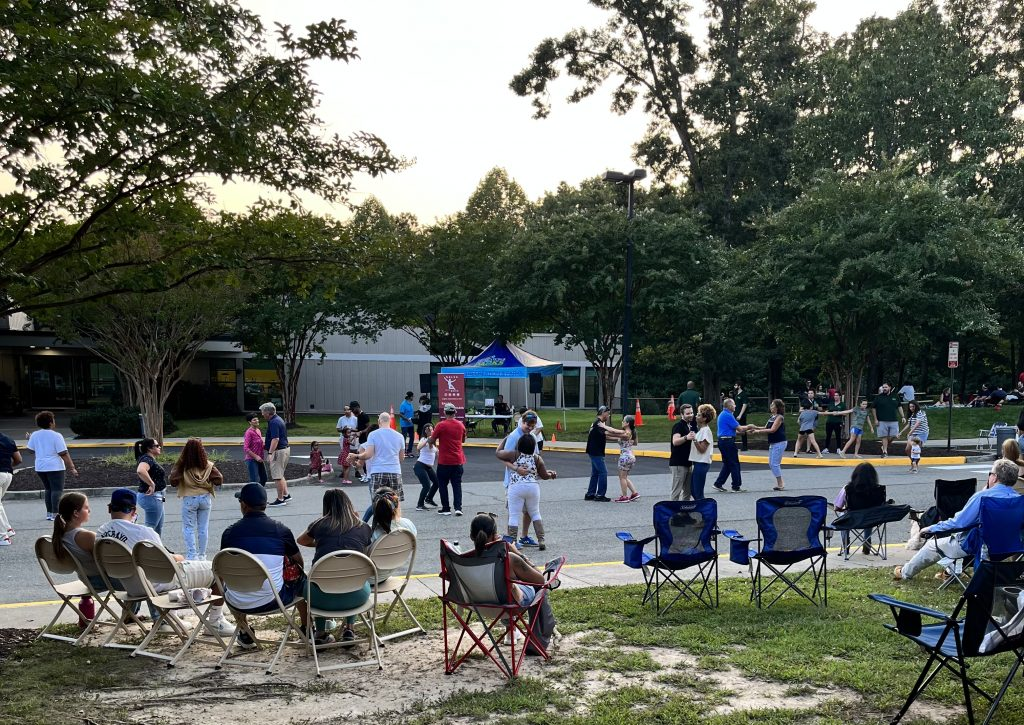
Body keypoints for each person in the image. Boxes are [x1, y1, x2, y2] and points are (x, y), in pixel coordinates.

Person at [95, 488, 233, 634]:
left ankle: (169, 620)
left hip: (130, 586)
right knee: (217, 567)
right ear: (134, 510)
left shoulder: (101, 533)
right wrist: (178, 558)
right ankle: (215, 621)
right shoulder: (143, 532)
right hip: (156, 583)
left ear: (109, 508)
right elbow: (164, 563)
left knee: (156, 571)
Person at [894, 459, 1021, 581]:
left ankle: (905, 573)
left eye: (990, 474)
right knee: (958, 538)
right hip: (1008, 547)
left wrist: (931, 528)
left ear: (994, 477)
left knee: (932, 545)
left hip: (978, 546)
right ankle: (950, 573)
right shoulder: (1019, 500)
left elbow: (959, 523)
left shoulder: (982, 497)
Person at [221, 483, 308, 650]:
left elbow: (222, 569)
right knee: (301, 578)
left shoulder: (229, 533)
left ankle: (245, 632)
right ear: (265, 504)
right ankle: (306, 629)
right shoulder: (280, 530)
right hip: (274, 599)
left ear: (243, 505)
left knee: (234, 581)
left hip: (237, 601)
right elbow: (299, 562)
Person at [467, 512, 557, 653]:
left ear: (472, 536)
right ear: (496, 535)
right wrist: (518, 553)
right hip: (507, 605)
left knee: (508, 582)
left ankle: (511, 632)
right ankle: (537, 641)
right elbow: (540, 580)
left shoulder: (464, 559)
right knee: (534, 587)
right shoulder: (509, 558)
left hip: (476, 603)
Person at [296, 488, 371, 645]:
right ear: (349, 504)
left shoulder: (319, 525)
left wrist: (320, 542)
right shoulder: (363, 527)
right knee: (352, 578)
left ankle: (321, 633)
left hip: (320, 599)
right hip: (356, 596)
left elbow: (301, 540)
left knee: (318, 582)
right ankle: (349, 629)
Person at [497, 435, 556, 551]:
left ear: (519, 445)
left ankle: (512, 542)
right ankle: (541, 539)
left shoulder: (514, 455)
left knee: (514, 515)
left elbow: (498, 453)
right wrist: (551, 475)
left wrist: (505, 439)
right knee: (535, 513)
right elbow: (544, 475)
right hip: (533, 487)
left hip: (516, 487)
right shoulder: (537, 458)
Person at [169, 438, 223, 561]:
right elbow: (219, 479)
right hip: (205, 498)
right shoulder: (208, 465)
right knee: (203, 528)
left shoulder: (182, 466)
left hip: (189, 498)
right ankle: (202, 555)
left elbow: (173, 481)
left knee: (188, 528)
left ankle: (192, 556)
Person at [348, 412, 405, 521]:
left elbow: (368, 455)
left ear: (379, 421)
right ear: (390, 421)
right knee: (395, 502)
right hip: (395, 471)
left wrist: (356, 455)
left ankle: (379, 526)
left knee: (377, 503)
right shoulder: (399, 436)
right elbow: (401, 458)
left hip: (378, 471)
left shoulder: (373, 435)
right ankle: (395, 524)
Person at [497, 411, 541, 546]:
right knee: (513, 511)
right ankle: (511, 540)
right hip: (513, 482)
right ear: (522, 421)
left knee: (528, 511)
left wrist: (541, 471)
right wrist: (516, 469)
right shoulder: (513, 437)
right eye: (528, 424)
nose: (530, 427)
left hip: (529, 481)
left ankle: (524, 536)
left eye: (533, 425)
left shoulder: (532, 436)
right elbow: (503, 457)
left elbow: (536, 457)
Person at [27, 410, 78, 521]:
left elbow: (30, 450)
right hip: (55, 467)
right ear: (50, 423)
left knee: (48, 489)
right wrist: (72, 467)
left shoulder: (34, 435)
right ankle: (56, 514)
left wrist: (30, 439)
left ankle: (49, 513)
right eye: (53, 420)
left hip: (40, 467)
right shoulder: (57, 436)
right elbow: (63, 453)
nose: (55, 422)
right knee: (56, 490)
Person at [834, 462, 885, 556]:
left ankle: (846, 545)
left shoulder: (848, 488)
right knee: (869, 514)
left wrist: (840, 509)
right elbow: (881, 506)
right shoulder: (879, 489)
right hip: (871, 520)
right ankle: (867, 542)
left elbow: (837, 507)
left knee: (843, 516)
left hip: (852, 520)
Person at [370, 487, 418, 579]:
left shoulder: (369, 532)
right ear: (397, 505)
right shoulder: (408, 525)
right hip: (388, 574)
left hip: (369, 579)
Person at [430, 403, 467, 516]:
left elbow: (432, 440)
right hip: (457, 460)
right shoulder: (461, 425)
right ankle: (458, 508)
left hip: (444, 461)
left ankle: (446, 508)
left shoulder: (441, 425)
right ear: (455, 412)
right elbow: (463, 440)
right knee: (457, 485)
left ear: (445, 412)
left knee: (442, 485)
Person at [585, 406, 623, 502]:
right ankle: (600, 495)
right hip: (596, 452)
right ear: (603, 413)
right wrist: (623, 433)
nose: (609, 415)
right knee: (603, 472)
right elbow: (610, 432)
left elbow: (605, 436)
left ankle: (590, 494)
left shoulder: (596, 423)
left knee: (595, 473)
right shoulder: (598, 424)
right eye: (608, 413)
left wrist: (619, 438)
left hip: (593, 451)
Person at [748, 399, 787, 491]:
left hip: (780, 442)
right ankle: (779, 483)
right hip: (773, 442)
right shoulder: (772, 417)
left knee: (774, 464)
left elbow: (773, 430)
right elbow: (766, 427)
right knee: (771, 463)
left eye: (773, 405)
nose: (771, 406)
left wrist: (758, 432)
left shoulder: (779, 417)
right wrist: (755, 427)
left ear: (777, 407)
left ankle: (780, 483)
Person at [260, 402, 291, 507]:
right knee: (280, 473)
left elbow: (275, 439)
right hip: (285, 449)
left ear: (268, 412)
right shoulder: (278, 419)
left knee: (277, 476)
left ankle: (280, 499)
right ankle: (286, 495)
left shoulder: (273, 422)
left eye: (263, 412)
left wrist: (270, 453)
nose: (262, 414)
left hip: (278, 451)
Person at [134, 438, 167, 535]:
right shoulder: (147, 459)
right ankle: (139, 546)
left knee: (157, 528)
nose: (159, 447)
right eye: (157, 446)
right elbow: (140, 470)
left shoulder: (147, 458)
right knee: (150, 528)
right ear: (149, 448)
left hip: (156, 497)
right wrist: (151, 484)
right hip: (152, 497)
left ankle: (157, 548)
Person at [712, 398, 743, 492]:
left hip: (723, 441)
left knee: (728, 464)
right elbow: (739, 429)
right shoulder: (728, 415)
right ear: (729, 406)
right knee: (734, 463)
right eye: (734, 404)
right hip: (728, 442)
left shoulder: (723, 414)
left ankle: (718, 483)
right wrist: (750, 427)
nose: (735, 406)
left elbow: (731, 430)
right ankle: (736, 486)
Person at [669, 404, 698, 501]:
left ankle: (684, 512)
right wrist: (686, 437)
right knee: (676, 491)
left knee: (687, 491)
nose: (690, 415)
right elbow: (675, 441)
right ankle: (673, 513)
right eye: (688, 413)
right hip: (678, 463)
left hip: (688, 463)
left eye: (691, 413)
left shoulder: (689, 426)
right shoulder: (678, 426)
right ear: (682, 414)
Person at [689, 404, 716, 500]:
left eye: (699, 415)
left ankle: (703, 511)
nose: (696, 416)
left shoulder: (706, 431)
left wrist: (694, 440)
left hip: (702, 463)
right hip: (698, 463)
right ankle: (700, 509)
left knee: (697, 492)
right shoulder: (701, 430)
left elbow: (702, 449)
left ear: (704, 419)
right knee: (693, 490)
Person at [873, 383, 905, 459]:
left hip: (893, 420)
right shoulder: (878, 397)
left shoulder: (895, 396)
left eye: (886, 387)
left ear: (890, 387)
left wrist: (903, 417)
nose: (884, 388)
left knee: (894, 435)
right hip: (882, 420)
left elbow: (899, 406)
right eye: (883, 387)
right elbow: (873, 408)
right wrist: (875, 419)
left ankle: (884, 446)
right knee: (884, 436)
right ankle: (885, 452)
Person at [413, 423, 440, 510]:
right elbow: (418, 447)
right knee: (426, 485)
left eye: (432, 429)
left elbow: (438, 452)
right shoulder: (423, 439)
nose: (431, 431)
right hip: (420, 466)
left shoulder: (433, 441)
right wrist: (427, 440)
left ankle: (429, 498)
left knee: (437, 482)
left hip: (428, 467)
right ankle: (419, 505)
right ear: (425, 431)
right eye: (429, 430)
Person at [0, 430, 21, 545]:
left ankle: (3, 537)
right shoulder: (8, 439)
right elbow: (19, 459)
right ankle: (8, 529)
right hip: (7, 475)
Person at [614, 415, 640, 502]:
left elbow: (613, 434)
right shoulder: (633, 432)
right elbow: (635, 443)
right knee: (625, 477)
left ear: (627, 423)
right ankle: (634, 493)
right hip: (631, 456)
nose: (622, 422)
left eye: (623, 421)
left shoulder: (626, 432)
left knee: (622, 477)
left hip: (624, 456)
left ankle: (624, 496)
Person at [243, 413, 268, 486]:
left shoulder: (258, 431)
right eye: (254, 420)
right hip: (251, 460)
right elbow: (246, 448)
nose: (257, 420)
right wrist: (256, 456)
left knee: (264, 478)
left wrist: (269, 447)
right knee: (254, 480)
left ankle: (259, 493)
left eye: (257, 419)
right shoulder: (249, 432)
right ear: (250, 422)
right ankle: (253, 496)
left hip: (260, 459)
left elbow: (260, 444)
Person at [732, 381, 750, 451]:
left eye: (736, 385)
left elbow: (744, 405)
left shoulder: (743, 394)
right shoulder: (736, 394)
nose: (734, 387)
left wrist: (740, 415)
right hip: (735, 414)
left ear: (739, 386)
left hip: (741, 416)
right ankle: (733, 445)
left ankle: (745, 446)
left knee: (743, 429)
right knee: (733, 429)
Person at [398, 391, 416, 458]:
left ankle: (409, 451)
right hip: (404, 424)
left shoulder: (410, 404)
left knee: (412, 437)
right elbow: (401, 414)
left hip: (411, 424)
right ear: (410, 397)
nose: (413, 397)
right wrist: (406, 419)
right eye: (412, 396)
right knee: (404, 438)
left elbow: (410, 412)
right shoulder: (403, 404)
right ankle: (404, 451)